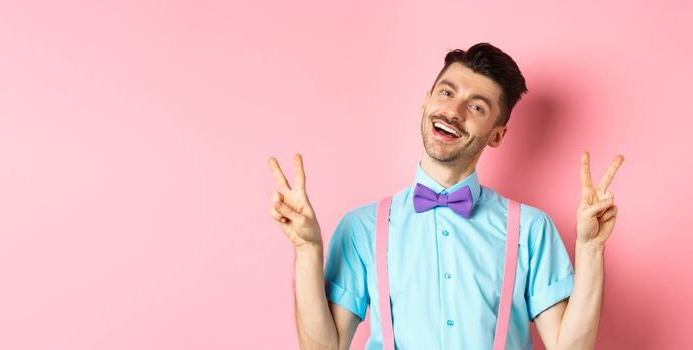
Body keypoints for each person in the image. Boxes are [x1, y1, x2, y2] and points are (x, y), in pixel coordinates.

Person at [266, 43, 624, 350]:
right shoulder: (362, 227)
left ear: (497, 135)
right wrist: (307, 251)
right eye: (447, 93)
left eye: (477, 107)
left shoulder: (532, 229)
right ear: (426, 102)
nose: (453, 112)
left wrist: (590, 250)